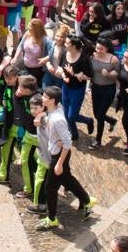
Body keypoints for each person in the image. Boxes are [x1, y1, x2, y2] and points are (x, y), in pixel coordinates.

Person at [35, 86, 96, 231]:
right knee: (67, 179)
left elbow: (67, 143)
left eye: (45, 96)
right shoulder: (54, 110)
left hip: (59, 156)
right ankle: (87, 201)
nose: (42, 98)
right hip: (58, 153)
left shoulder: (57, 119)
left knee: (49, 188)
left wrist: (59, 164)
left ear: (52, 100)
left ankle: (52, 219)